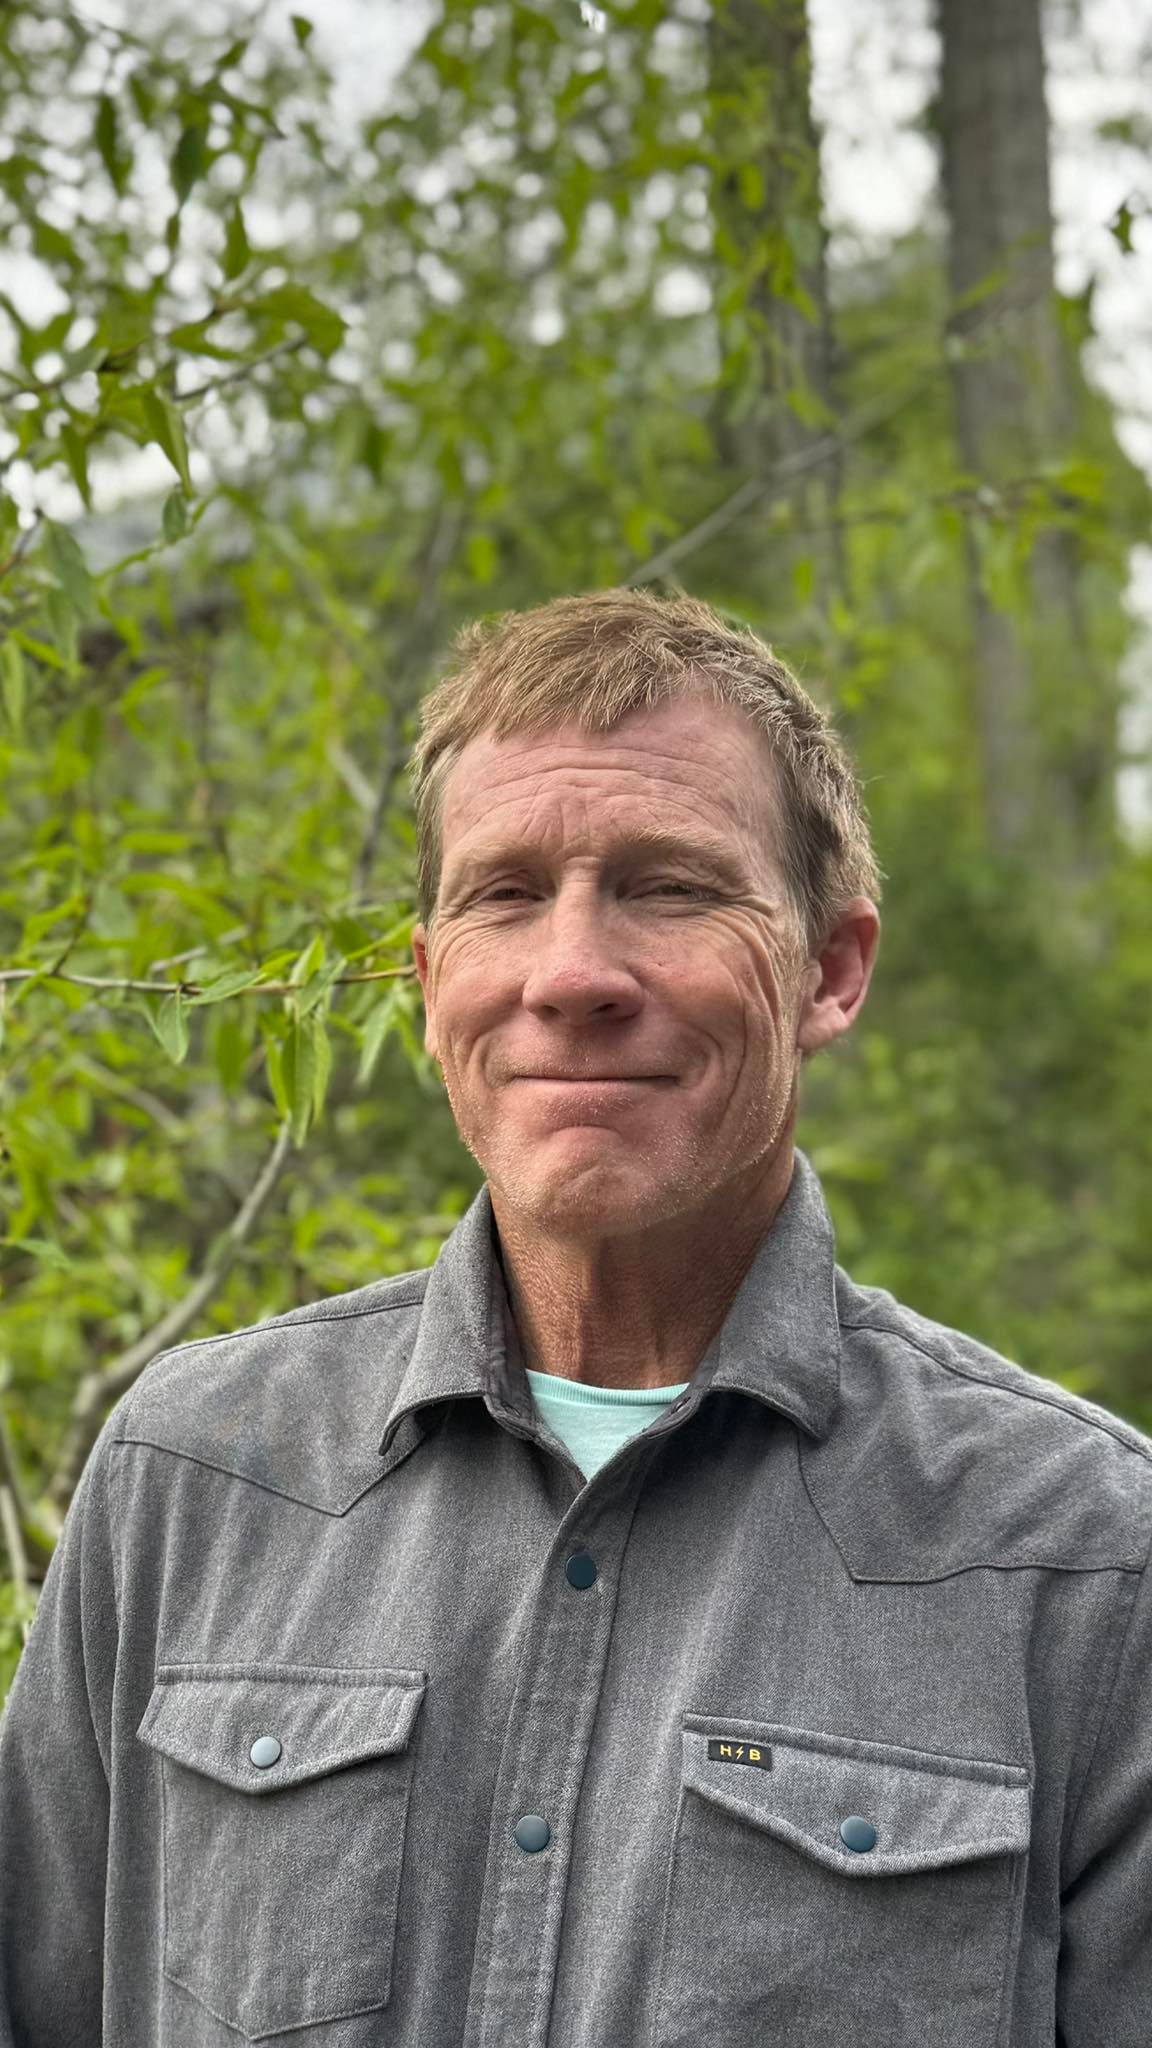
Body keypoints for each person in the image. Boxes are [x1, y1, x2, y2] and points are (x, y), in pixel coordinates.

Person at [1, 586, 1150, 2048]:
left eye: (671, 887)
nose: (572, 976)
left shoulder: (1087, 1558)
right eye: (502, 895)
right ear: (429, 987)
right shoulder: (197, 1473)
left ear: (832, 969)